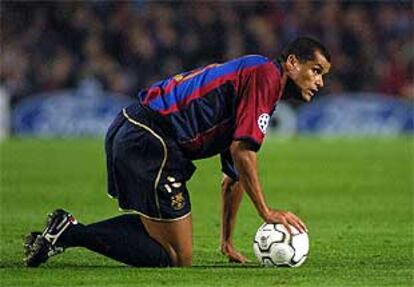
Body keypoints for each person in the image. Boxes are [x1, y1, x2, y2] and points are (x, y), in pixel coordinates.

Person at [24, 36, 331, 267]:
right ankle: (70, 232)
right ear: (292, 62)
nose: (319, 81)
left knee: (163, 241)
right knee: (176, 256)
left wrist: (226, 240)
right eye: (316, 70)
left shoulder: (258, 78)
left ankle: (66, 231)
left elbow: (234, 173)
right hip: (151, 139)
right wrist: (267, 212)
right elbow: (243, 152)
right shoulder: (265, 76)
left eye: (324, 75)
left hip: (139, 131)